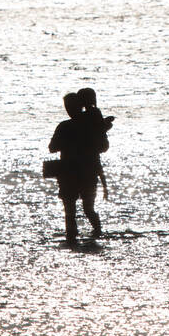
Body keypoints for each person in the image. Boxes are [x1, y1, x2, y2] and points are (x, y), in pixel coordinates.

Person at [48, 92, 108, 242]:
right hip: (83, 172)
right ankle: (95, 234)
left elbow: (52, 147)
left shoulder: (65, 126)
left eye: (70, 106)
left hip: (74, 173)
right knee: (84, 209)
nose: (68, 109)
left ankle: (75, 238)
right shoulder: (91, 125)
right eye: (67, 107)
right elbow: (103, 147)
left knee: (75, 210)